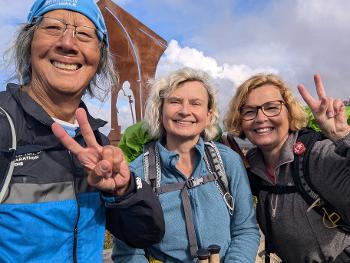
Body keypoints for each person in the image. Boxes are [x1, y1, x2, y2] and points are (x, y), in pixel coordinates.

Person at [0, 0, 164, 262]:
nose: (68, 43)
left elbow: (145, 234)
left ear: (99, 58)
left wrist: (123, 190)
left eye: (85, 35)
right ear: (28, 44)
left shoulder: (95, 144)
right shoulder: (3, 125)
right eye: (53, 27)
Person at [112, 67, 260, 263]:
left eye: (195, 103)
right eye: (175, 102)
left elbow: (245, 229)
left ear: (208, 115)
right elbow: (128, 251)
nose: (184, 111)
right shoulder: (138, 173)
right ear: (160, 110)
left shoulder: (227, 162)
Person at [224, 73, 350, 262]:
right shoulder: (249, 165)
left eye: (272, 108)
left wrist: (342, 136)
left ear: (289, 112)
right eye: (249, 111)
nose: (260, 118)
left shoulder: (318, 156)